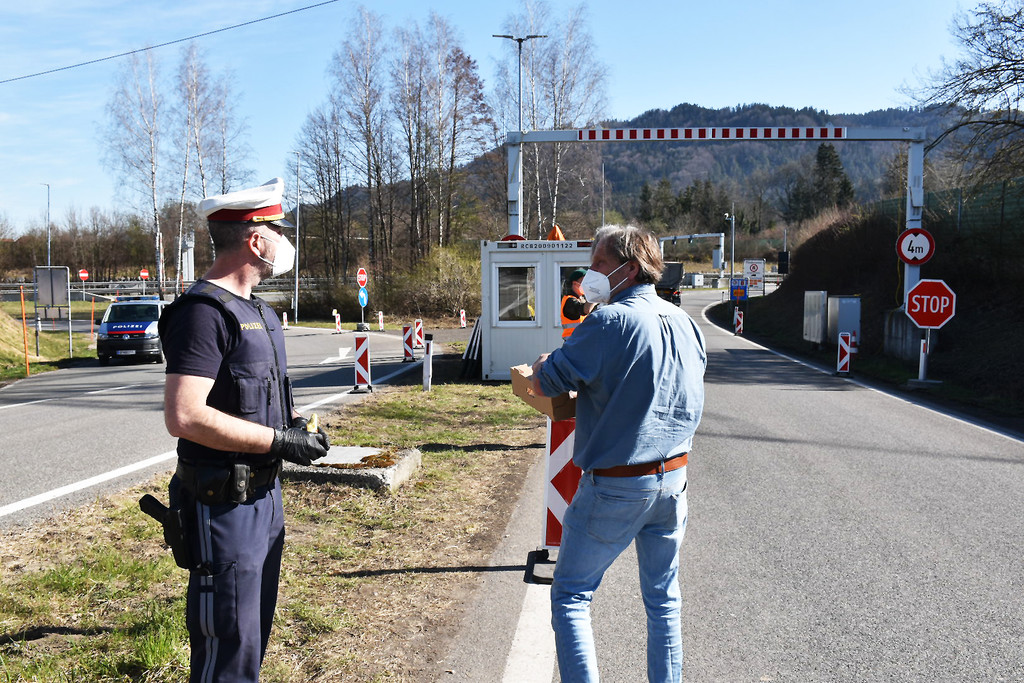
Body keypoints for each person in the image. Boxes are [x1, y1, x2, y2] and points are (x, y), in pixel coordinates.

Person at [158, 177, 330, 682]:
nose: (284, 238)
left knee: (251, 639)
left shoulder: (260, 312)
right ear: (256, 239)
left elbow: (255, 401)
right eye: (277, 228)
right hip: (223, 506)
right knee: (227, 646)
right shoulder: (203, 314)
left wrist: (293, 427)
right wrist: (280, 441)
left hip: (264, 498)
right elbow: (184, 416)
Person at [530, 224, 707, 683]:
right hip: (674, 480)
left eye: (599, 265)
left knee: (571, 594)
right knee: (664, 600)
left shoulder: (608, 322)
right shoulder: (685, 323)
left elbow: (550, 382)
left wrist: (543, 364)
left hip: (616, 483)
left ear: (629, 269)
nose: (590, 275)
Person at [560, 268, 596, 338]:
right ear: (575, 284)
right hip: (572, 341)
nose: (587, 284)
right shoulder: (569, 300)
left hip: (581, 340)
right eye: (584, 282)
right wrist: (595, 296)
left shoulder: (582, 299)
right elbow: (586, 310)